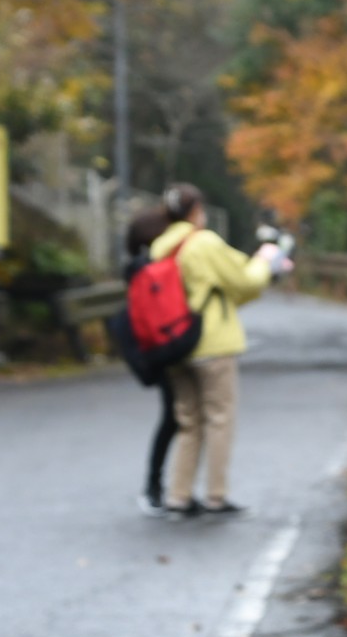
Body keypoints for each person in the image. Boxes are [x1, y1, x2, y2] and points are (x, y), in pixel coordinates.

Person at [150, 183, 286, 519]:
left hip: (173, 344)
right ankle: (216, 495)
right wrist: (265, 261)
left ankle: (178, 497)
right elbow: (244, 281)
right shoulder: (203, 242)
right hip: (211, 344)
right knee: (219, 419)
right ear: (196, 211)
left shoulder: (161, 247)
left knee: (188, 421)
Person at [122, 207, 180, 517]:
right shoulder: (147, 269)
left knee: (176, 417)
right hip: (165, 348)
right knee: (174, 417)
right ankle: (155, 487)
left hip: (161, 349)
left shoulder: (138, 267)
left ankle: (164, 488)